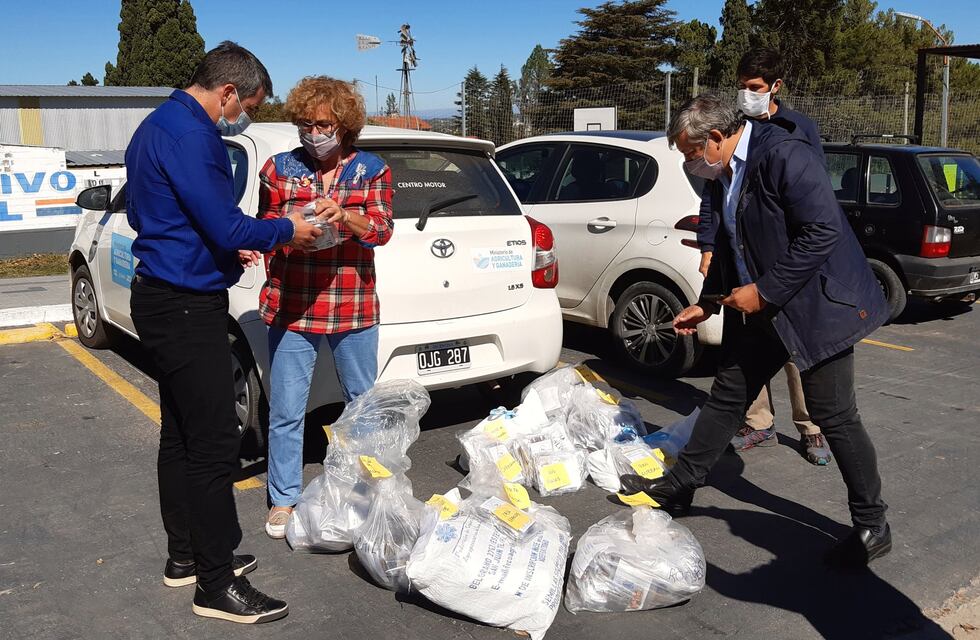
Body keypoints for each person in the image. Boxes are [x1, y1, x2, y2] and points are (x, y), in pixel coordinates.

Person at [622, 94, 892, 568]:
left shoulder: (784, 155)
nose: (690, 163)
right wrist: (705, 304)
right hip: (762, 309)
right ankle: (680, 486)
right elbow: (730, 244)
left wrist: (764, 292)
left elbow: (823, 231)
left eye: (690, 152)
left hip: (816, 307)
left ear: (718, 137)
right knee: (729, 395)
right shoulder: (723, 173)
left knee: (834, 414)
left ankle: (873, 525)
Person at [126, 42, 323, 623]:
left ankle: (187, 556)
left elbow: (152, 214)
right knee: (213, 444)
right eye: (250, 107)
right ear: (229, 91)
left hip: (161, 294)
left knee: (182, 435)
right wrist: (287, 228)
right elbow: (222, 220)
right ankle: (215, 586)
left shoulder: (155, 126)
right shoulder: (195, 136)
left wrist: (214, 240)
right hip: (184, 305)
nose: (246, 118)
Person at [255, 76, 394, 540]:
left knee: (363, 407)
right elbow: (264, 224)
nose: (314, 133)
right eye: (306, 124)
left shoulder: (371, 169)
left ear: (345, 125)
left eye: (324, 124)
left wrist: (346, 216)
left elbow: (382, 230)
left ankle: (369, 492)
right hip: (293, 304)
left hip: (352, 305)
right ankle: (283, 499)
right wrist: (281, 231)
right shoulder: (279, 169)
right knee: (288, 410)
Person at [697, 48, 831, 466]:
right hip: (741, 261)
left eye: (753, 88)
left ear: (775, 87)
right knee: (743, 346)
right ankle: (758, 422)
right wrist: (708, 246)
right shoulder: (733, 129)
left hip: (783, 264)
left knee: (794, 350)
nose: (746, 95)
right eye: (741, 87)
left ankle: (811, 428)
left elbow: (814, 202)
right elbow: (713, 195)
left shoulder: (798, 130)